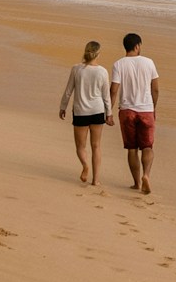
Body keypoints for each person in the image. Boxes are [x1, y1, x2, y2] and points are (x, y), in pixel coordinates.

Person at [112, 31, 160, 196]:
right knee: (147, 146)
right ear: (137, 46)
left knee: (132, 148)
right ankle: (146, 175)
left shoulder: (118, 64)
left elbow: (114, 89)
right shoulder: (149, 62)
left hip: (127, 110)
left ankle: (136, 182)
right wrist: (154, 107)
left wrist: (109, 112)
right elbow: (155, 88)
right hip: (146, 109)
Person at [59, 39, 112, 185]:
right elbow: (106, 95)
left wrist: (62, 107)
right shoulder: (102, 71)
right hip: (97, 110)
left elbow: (68, 91)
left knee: (80, 147)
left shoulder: (76, 69)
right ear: (98, 54)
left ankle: (85, 165)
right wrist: (109, 113)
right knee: (96, 146)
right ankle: (96, 180)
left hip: (81, 111)